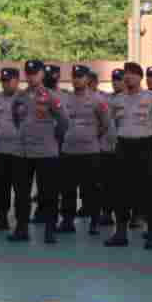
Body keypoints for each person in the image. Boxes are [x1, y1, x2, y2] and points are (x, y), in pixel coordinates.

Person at [10, 61, 68, 244]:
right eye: (28, 73)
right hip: (23, 153)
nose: (31, 76)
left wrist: (52, 139)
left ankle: (50, 230)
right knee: (21, 194)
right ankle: (21, 229)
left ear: (42, 74)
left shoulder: (50, 96)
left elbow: (64, 122)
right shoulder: (19, 97)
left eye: (34, 73)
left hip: (46, 152)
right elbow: (15, 119)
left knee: (48, 194)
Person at [107, 62, 152, 249]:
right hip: (123, 146)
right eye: (126, 74)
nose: (128, 77)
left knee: (149, 192)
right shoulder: (116, 100)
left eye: (132, 74)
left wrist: (151, 141)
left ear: (140, 77)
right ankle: (120, 233)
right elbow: (111, 124)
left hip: (144, 146)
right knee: (120, 191)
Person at [59, 66, 108, 235]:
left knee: (92, 189)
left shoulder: (97, 99)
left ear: (87, 79)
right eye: (74, 76)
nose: (76, 79)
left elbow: (105, 124)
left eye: (80, 76)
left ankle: (94, 222)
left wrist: (91, 137)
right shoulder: (65, 99)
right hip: (69, 151)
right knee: (67, 188)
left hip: (90, 152)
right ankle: (67, 221)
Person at [0, 67, 23, 231]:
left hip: (19, 152)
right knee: (1, 187)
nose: (5, 84)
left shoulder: (25, 98)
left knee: (20, 188)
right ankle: (1, 219)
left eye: (8, 80)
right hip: (0, 150)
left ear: (17, 80)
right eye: (2, 81)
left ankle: (20, 223)